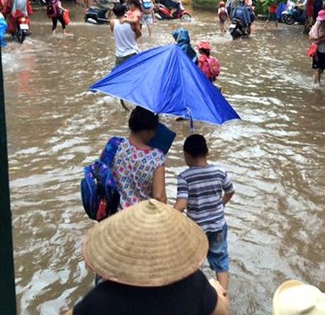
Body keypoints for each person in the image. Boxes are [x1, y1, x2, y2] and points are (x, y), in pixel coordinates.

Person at [63, 200, 229, 315]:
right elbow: (222, 311)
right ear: (170, 249)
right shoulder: (194, 285)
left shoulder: (102, 298)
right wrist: (216, 291)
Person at [174, 134, 235, 291]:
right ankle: (223, 299)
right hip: (218, 226)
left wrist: (168, 216)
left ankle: (195, 297)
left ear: (186, 155)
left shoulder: (184, 177)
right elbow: (230, 191)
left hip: (196, 229)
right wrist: (221, 204)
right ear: (207, 151)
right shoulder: (219, 171)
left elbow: (181, 205)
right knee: (221, 261)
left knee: (193, 262)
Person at [111, 106, 166, 208]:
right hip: (141, 218)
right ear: (149, 131)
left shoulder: (114, 144)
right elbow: (159, 197)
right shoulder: (156, 157)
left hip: (113, 216)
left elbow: (100, 171)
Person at [308, 9, 325, 85]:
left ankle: (315, 79)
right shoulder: (315, 27)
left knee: (321, 69)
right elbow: (311, 38)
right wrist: (322, 38)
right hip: (316, 50)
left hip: (324, 51)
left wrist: (323, 40)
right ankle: (318, 84)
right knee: (317, 68)